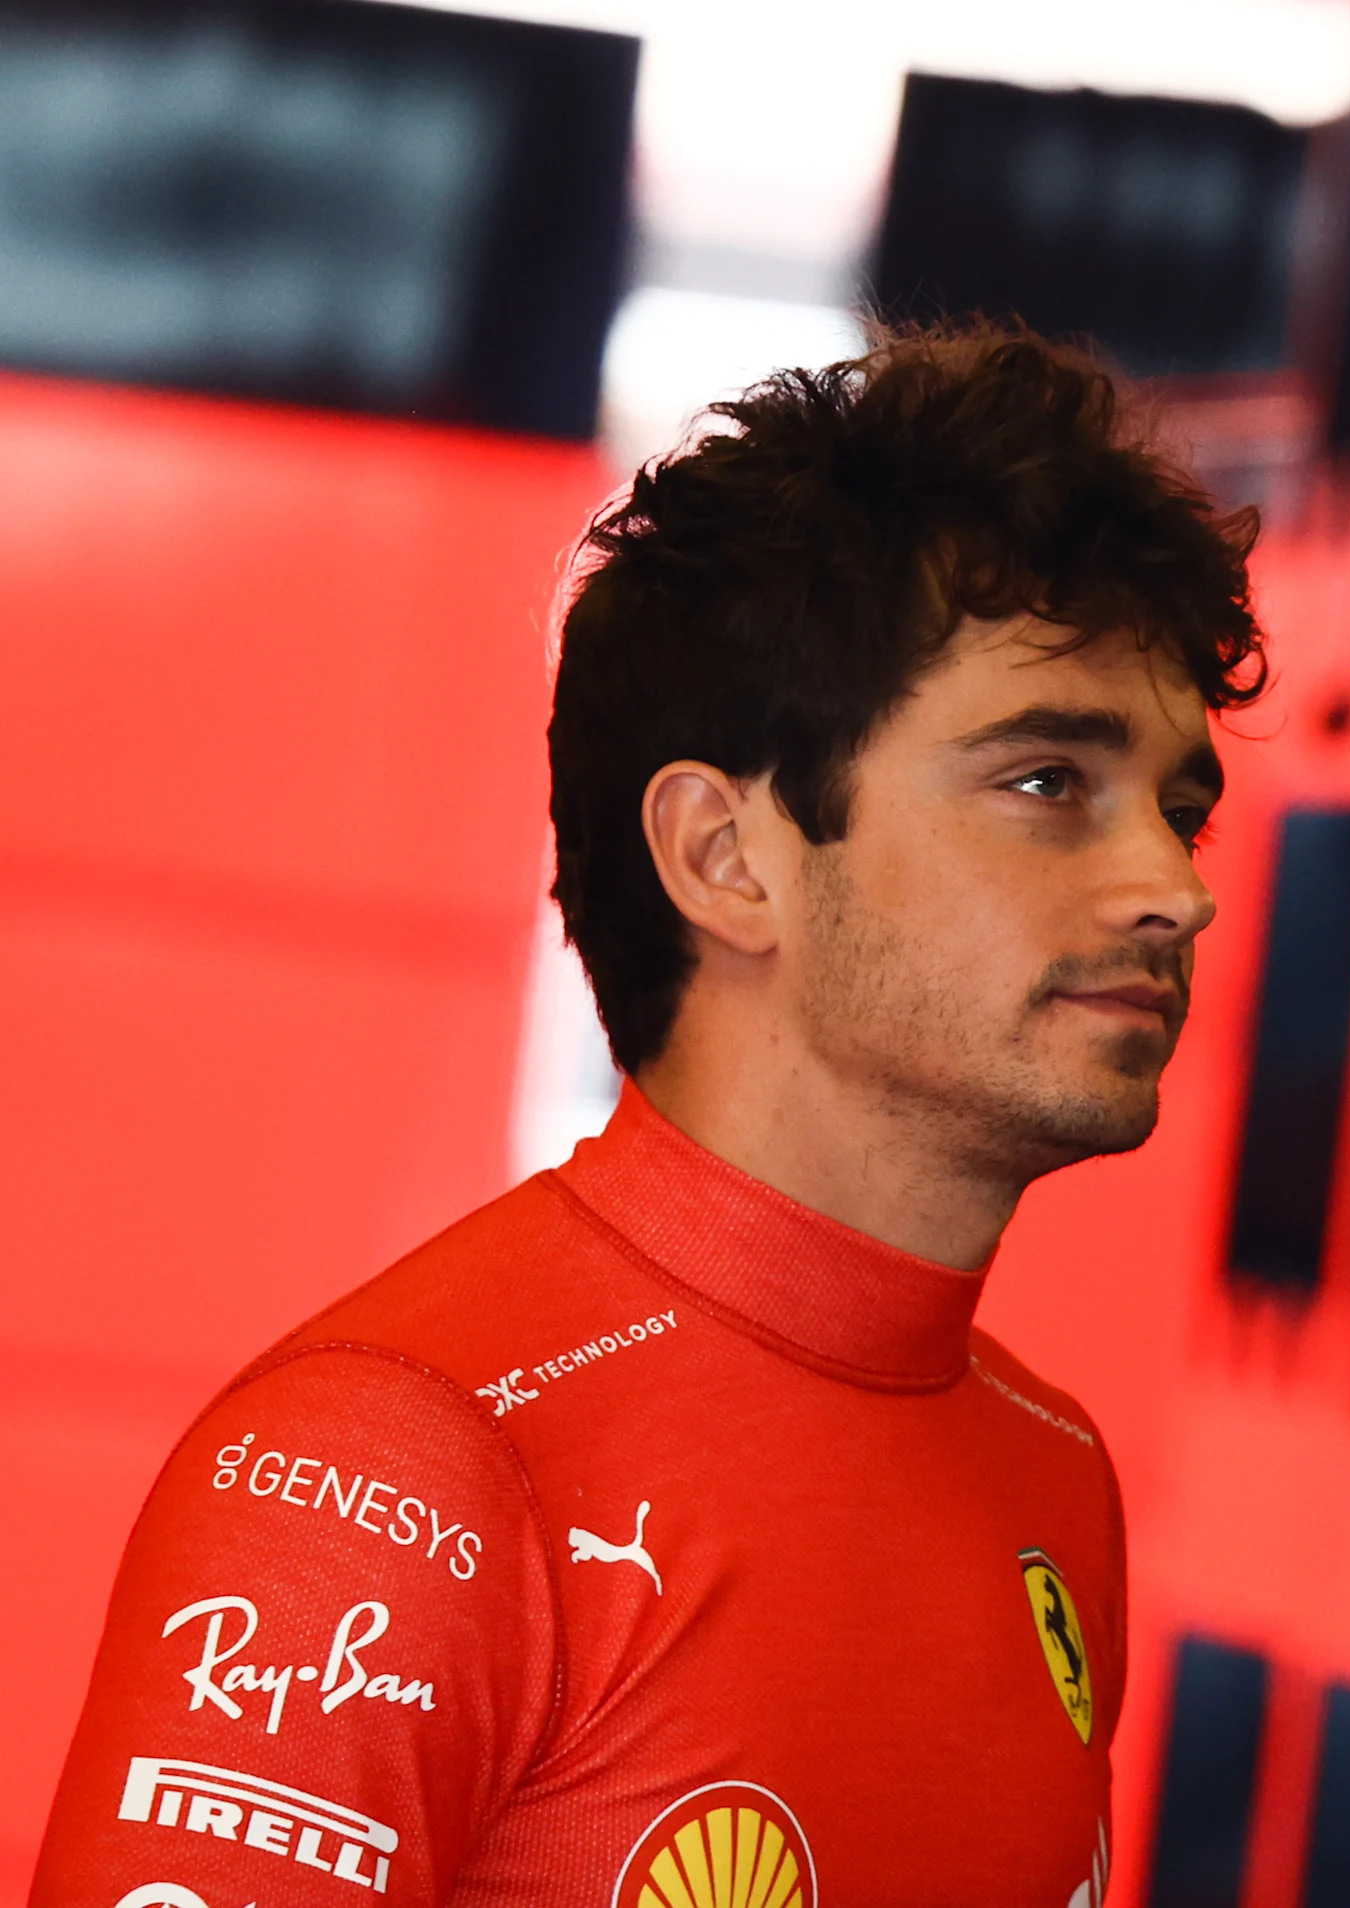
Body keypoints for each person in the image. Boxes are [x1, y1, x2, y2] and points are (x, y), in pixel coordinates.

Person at [30, 325, 1262, 1907]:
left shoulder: (1050, 1470)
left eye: (1178, 807)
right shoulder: (391, 1476)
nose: (1173, 889)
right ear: (727, 858)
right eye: (1046, 782)